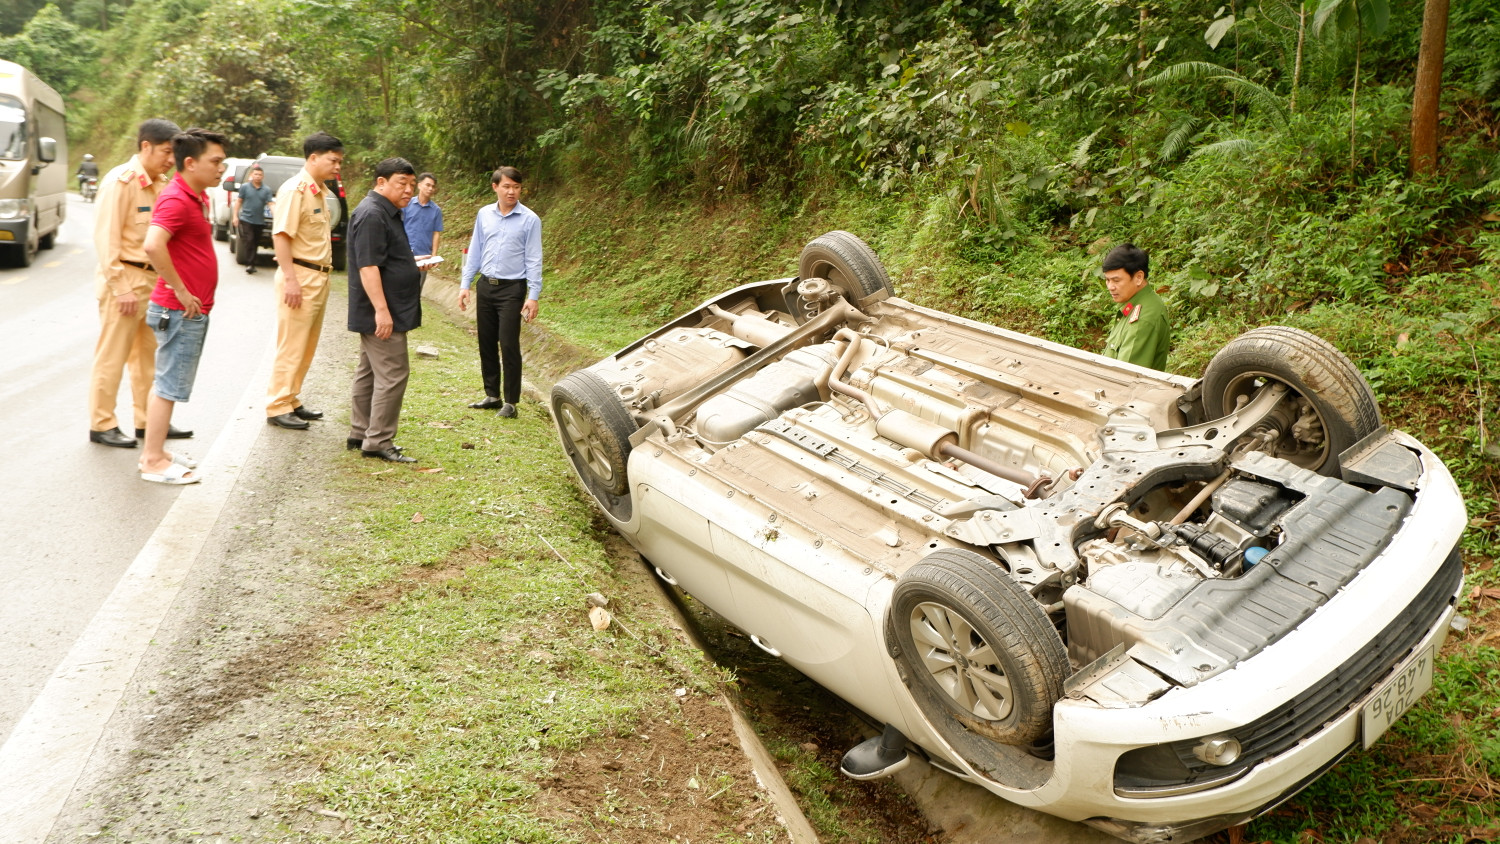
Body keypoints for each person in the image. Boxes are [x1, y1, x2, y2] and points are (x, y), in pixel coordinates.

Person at [87, 118, 188, 448]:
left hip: (152, 281)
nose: (170, 160)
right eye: (165, 152)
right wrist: (121, 287)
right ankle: (102, 423)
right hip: (125, 279)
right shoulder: (121, 182)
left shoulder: (160, 183)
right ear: (145, 146)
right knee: (113, 354)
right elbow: (107, 240)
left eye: (173, 154)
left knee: (148, 356)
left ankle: (148, 421)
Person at [138, 128, 228, 484]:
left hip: (187, 309)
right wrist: (181, 290)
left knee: (168, 383)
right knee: (168, 385)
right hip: (179, 310)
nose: (221, 168)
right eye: (216, 161)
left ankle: (157, 450)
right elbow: (152, 245)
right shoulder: (177, 198)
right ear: (190, 163)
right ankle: (153, 460)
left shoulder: (194, 196)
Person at [265, 131, 344, 430]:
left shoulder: (320, 192)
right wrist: (291, 280)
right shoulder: (295, 190)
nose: (337, 167)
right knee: (291, 344)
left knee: (307, 344)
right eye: (333, 160)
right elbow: (281, 235)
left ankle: (291, 397)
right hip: (300, 276)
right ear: (313, 158)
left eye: (339, 161)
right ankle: (277, 405)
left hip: (318, 276)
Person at [347, 158, 421, 463]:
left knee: (369, 372)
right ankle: (378, 440)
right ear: (381, 182)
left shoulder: (386, 212)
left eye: (411, 185)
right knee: (393, 374)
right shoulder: (373, 214)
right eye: (401, 183)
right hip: (381, 310)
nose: (408, 190)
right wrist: (382, 310)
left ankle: (361, 431)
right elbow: (368, 266)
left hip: (387, 306)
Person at [458, 166, 541, 419]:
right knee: (486, 341)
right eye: (506, 186)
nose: (512, 191)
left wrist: (533, 295)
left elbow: (534, 258)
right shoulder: (484, 214)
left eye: (516, 187)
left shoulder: (530, 219)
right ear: (495, 187)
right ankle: (492, 395)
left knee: (508, 343)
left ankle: (511, 402)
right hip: (486, 285)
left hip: (512, 289)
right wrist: (465, 284)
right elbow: (475, 250)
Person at [1100, 243, 1170, 371]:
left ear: (1138, 277)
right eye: (1107, 280)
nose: (1110, 287)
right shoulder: (1134, 304)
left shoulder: (1142, 320)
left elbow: (1124, 378)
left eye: (1116, 280)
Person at [402, 172, 443, 292]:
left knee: (416, 292)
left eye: (433, 186)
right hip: (405, 255)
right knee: (401, 289)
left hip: (423, 257)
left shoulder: (436, 210)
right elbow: (399, 226)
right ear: (419, 185)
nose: (430, 188)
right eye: (427, 185)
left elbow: (436, 233)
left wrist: (434, 255)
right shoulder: (407, 204)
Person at [232, 163, 273, 274]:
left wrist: (277, 216)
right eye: (256, 174)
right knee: (249, 240)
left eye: (260, 175)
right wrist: (235, 216)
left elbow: (270, 204)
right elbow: (239, 201)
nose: (257, 176)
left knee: (255, 242)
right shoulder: (245, 187)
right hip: (246, 219)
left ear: (262, 176)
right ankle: (249, 264)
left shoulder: (266, 190)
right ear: (252, 175)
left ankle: (252, 263)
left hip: (259, 221)